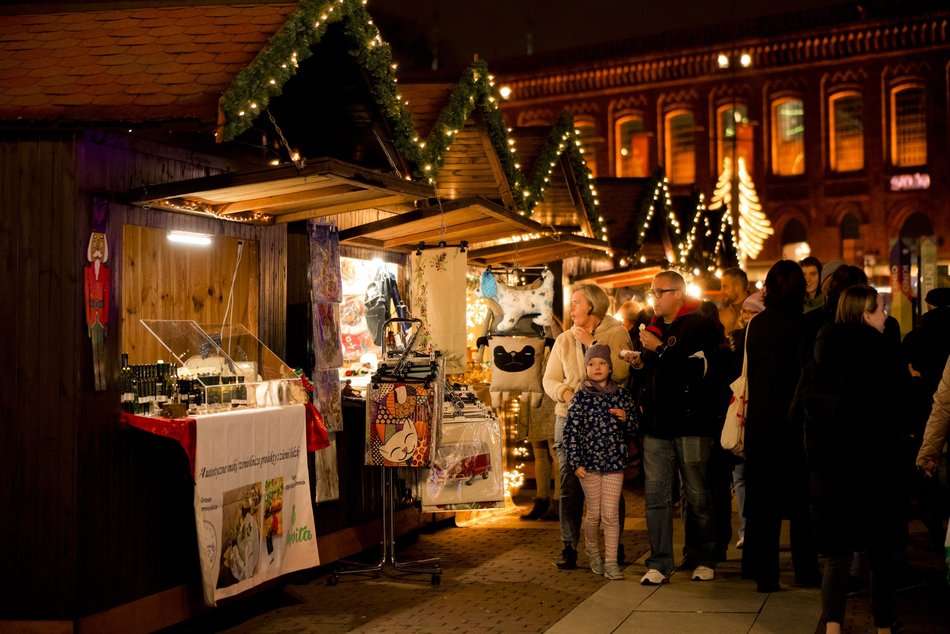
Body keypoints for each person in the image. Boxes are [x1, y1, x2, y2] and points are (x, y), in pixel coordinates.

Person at [797, 285, 906, 633]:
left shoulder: (820, 355)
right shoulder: (883, 357)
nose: (885, 316)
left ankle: (831, 625)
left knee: (836, 556)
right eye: (880, 309)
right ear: (864, 314)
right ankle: (885, 626)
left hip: (831, 474)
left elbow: (803, 414)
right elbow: (897, 415)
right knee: (881, 556)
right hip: (877, 472)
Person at [627, 271, 724, 584]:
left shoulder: (700, 325)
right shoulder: (653, 327)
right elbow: (656, 374)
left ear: (679, 293)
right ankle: (659, 562)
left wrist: (659, 350)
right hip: (657, 424)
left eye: (660, 292)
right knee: (656, 494)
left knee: (696, 493)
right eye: (652, 292)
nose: (653, 297)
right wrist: (640, 363)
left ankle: (703, 556)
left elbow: (699, 371)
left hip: (692, 423)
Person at [543, 284, 632, 570]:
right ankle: (569, 545)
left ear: (592, 306)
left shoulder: (616, 332)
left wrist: (593, 343)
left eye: (576, 302)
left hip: (605, 423)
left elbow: (621, 373)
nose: (571, 308)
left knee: (610, 484)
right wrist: (566, 394)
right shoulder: (565, 339)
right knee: (569, 481)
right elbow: (550, 379)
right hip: (569, 419)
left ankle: (612, 545)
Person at [743, 260, 820, 592]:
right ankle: (805, 570)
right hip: (796, 421)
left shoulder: (757, 325)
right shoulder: (806, 327)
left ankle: (764, 572)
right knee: (802, 502)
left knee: (763, 501)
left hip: (761, 420)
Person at [563, 343, 637, 580]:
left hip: (614, 463)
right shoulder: (581, 397)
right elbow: (570, 432)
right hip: (589, 464)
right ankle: (593, 551)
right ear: (586, 368)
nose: (597, 367)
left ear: (610, 367)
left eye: (602, 363)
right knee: (594, 513)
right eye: (592, 363)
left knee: (611, 514)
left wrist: (626, 419)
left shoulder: (622, 396)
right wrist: (575, 463)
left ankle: (612, 561)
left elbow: (634, 429)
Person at [728, 290, 765, 550]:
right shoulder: (736, 338)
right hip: (742, 407)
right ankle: (745, 530)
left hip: (755, 410)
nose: (746, 317)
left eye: (752, 312)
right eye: (745, 312)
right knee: (740, 476)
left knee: (749, 476)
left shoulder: (761, 338)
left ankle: (753, 529)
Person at [718, 268, 750, 334]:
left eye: (725, 287)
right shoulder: (721, 316)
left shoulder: (756, 312)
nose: (721, 291)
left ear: (738, 287)